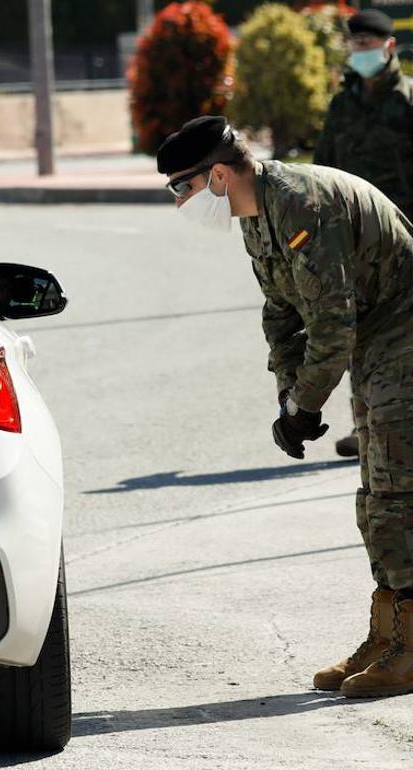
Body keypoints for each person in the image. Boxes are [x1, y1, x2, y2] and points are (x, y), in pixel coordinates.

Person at [158, 115, 413, 698]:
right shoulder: (256, 214)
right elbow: (281, 313)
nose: (179, 204)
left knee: (398, 485)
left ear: (219, 175)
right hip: (375, 335)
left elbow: (329, 322)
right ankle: (389, 631)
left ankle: (412, 643)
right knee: (376, 488)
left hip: (401, 326)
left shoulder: (299, 205)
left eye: (182, 188)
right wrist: (287, 395)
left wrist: (305, 404)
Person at [315, 9, 413, 458]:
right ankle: (366, 426)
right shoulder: (342, 105)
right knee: (360, 332)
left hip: (405, 235)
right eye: (355, 46)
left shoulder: (407, 100)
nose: (362, 53)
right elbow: (322, 169)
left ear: (389, 47)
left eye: (369, 45)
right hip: (353, 238)